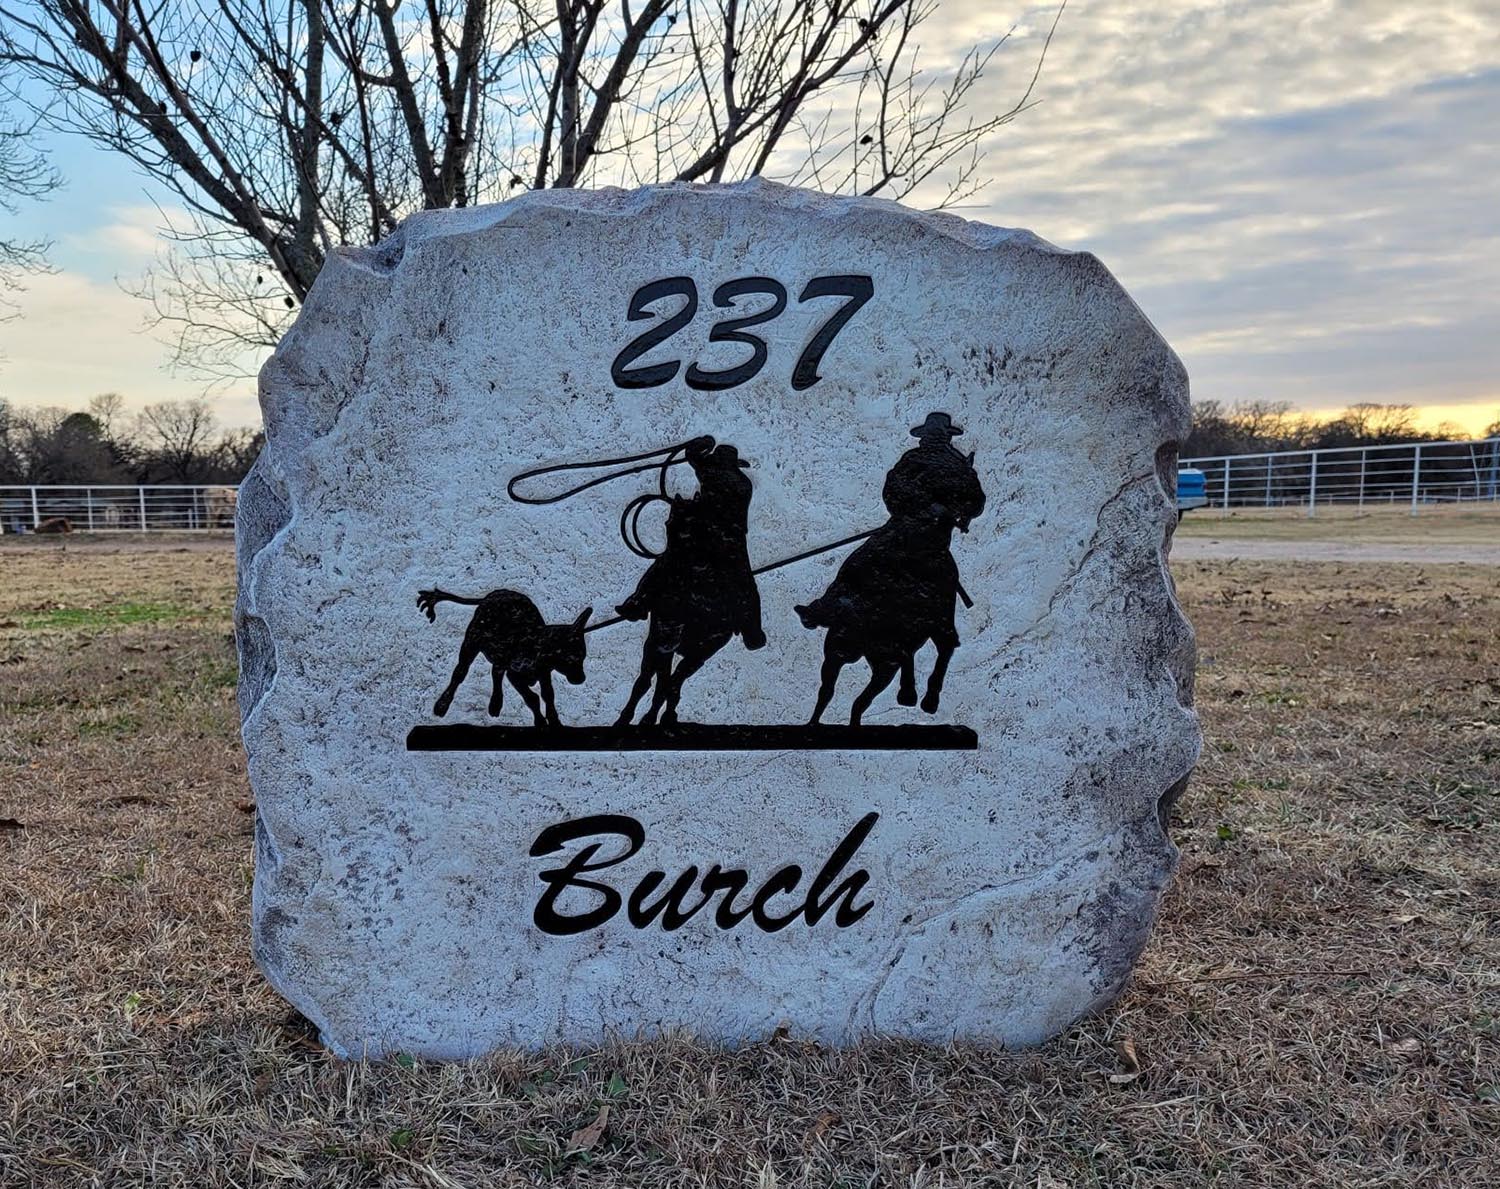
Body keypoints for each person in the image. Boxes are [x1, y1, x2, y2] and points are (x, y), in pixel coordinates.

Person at [616, 435, 766, 650]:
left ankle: (639, 603)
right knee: (744, 584)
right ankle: (752, 630)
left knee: (668, 564)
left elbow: (694, 454)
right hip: (729, 540)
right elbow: (696, 457)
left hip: (705, 537)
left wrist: (704, 445)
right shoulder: (743, 483)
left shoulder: (710, 472)